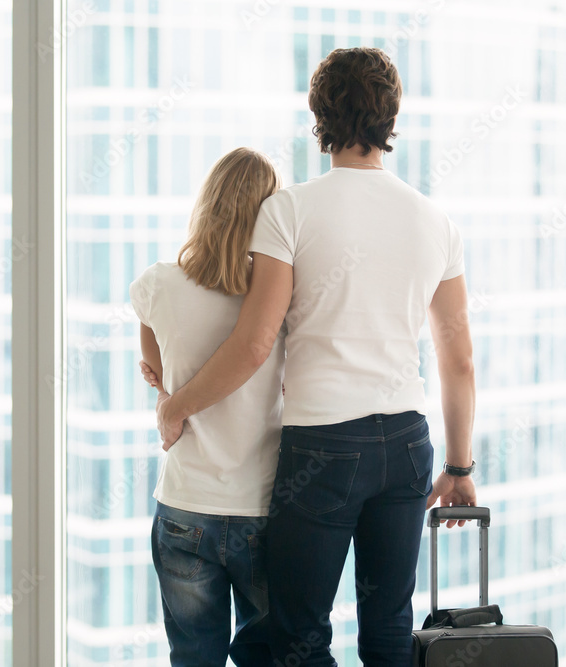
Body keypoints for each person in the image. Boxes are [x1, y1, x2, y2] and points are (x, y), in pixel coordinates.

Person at [149, 48, 478, 667]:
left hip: (323, 449)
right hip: (408, 444)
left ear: (319, 114)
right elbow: (457, 360)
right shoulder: (436, 222)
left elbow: (252, 343)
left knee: (298, 635)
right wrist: (459, 466)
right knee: (388, 629)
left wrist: (176, 407)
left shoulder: (289, 210)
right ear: (392, 116)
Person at [129, 147, 286, 666]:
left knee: (193, 658)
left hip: (184, 507)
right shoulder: (278, 297)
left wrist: (171, 392)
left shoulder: (156, 284)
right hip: (261, 507)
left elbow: (158, 377)